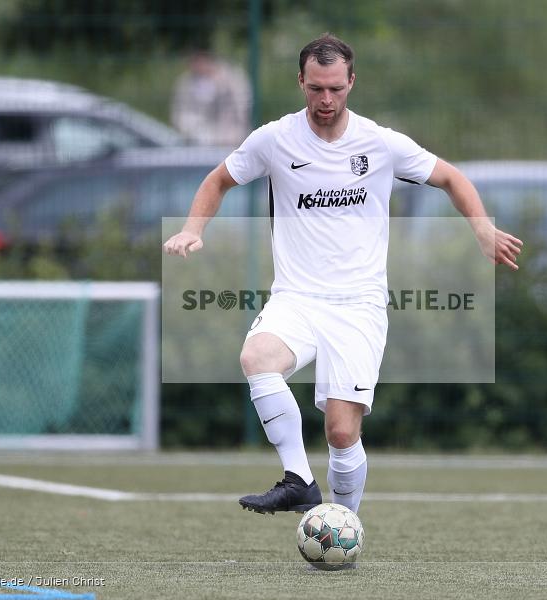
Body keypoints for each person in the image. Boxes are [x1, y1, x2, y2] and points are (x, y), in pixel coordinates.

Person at [163, 34, 522, 517]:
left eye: (335, 88)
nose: (325, 100)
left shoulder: (380, 143)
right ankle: (299, 480)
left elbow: (451, 178)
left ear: (351, 81)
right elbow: (218, 180)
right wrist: (193, 229)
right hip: (296, 298)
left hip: (358, 305)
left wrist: (482, 231)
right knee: (257, 357)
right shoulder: (274, 139)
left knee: (341, 432)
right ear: (301, 83)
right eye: (315, 89)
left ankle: (345, 523)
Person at [170, 49, 251, 146]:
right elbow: (180, 116)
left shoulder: (232, 79)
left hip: (230, 137)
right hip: (198, 138)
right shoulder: (185, 83)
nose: (199, 66)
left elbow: (242, 108)